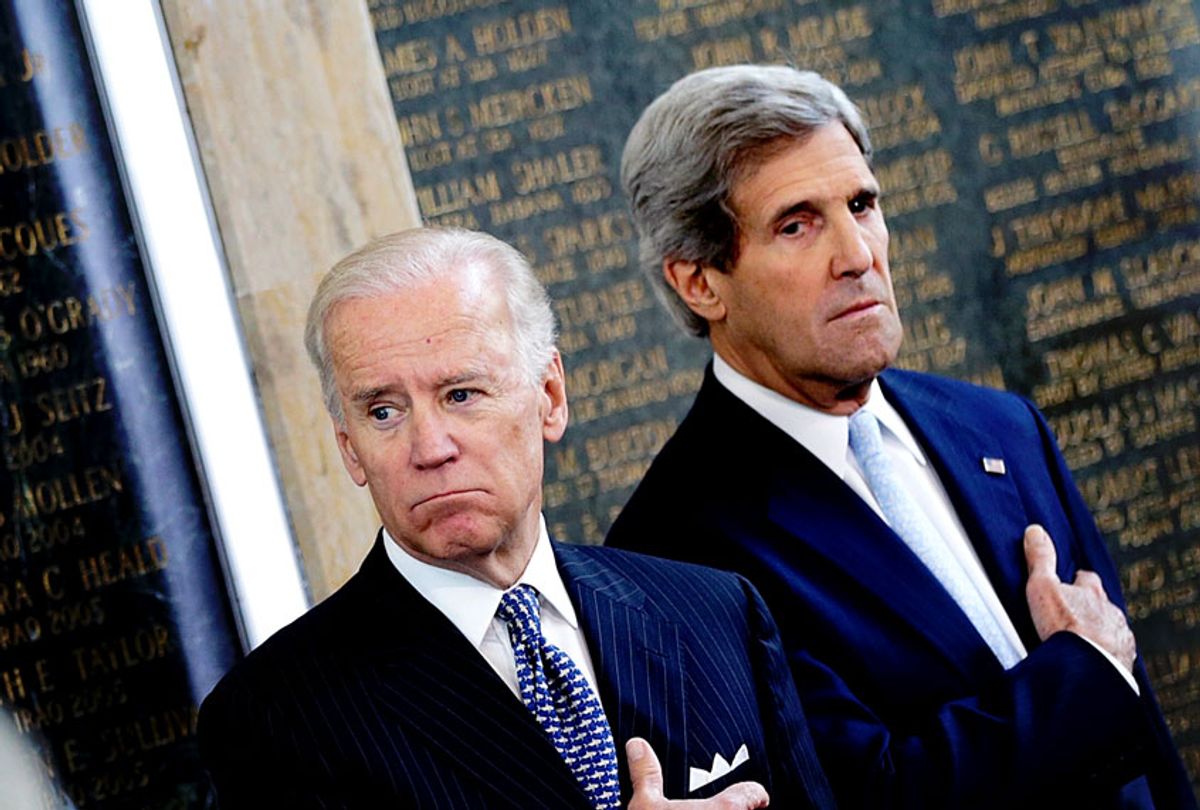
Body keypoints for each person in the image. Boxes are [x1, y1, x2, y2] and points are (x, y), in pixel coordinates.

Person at [605, 64, 1195, 809]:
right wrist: (1086, 670)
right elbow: (874, 793)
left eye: (862, 203)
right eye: (797, 224)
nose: (857, 254)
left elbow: (1150, 747)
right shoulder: (669, 555)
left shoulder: (1000, 427)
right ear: (700, 283)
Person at [198, 227, 835, 809]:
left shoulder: (717, 613)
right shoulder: (276, 718)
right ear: (350, 449)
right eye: (384, 412)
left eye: (461, 395)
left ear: (549, 398)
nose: (431, 448)